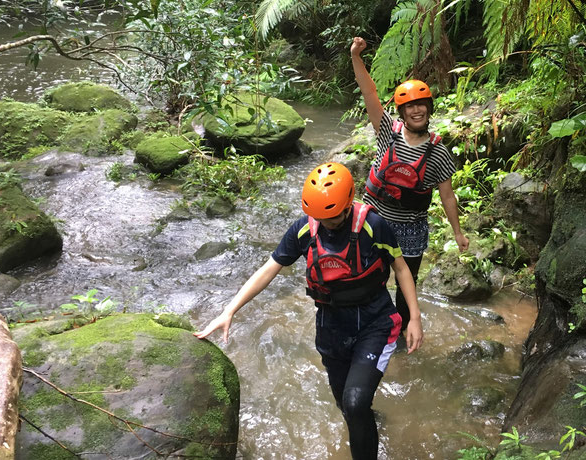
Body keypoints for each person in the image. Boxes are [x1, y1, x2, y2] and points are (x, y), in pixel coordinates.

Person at [194, 162, 423, 460]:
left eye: (333, 216)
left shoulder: (373, 226)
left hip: (375, 323)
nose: (327, 222)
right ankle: (366, 419)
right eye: (320, 217)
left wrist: (414, 318)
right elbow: (269, 269)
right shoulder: (305, 228)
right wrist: (230, 311)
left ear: (347, 203)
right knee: (346, 403)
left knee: (354, 402)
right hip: (331, 327)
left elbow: (401, 269)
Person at [350, 36, 470, 337]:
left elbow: (447, 196)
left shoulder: (439, 152)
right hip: (374, 218)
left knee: (407, 284)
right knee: (370, 277)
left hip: (410, 227)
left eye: (422, 106)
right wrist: (356, 57)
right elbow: (369, 92)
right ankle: (372, 328)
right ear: (402, 112)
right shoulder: (387, 132)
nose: (417, 111)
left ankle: (403, 332)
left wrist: (457, 232)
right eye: (410, 107)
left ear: (429, 109)